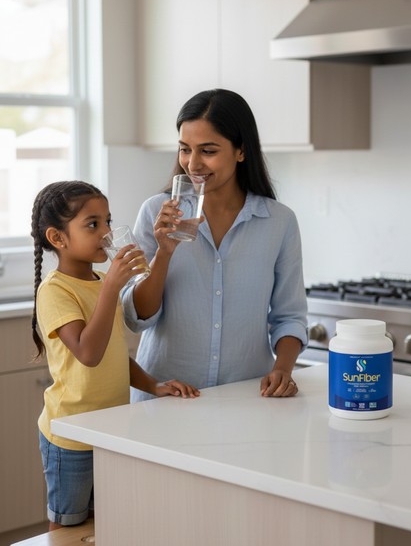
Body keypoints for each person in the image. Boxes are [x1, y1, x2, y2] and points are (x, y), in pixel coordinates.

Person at [31, 180, 199, 531]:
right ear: (58, 238)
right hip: (72, 436)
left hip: (109, 431)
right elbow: (89, 354)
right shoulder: (55, 291)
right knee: (68, 528)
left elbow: (111, 356)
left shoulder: (100, 280)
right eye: (93, 225)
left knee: (102, 527)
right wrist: (112, 287)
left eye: (108, 221)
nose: (107, 232)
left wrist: (154, 385)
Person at [123, 88, 308, 402]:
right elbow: (137, 316)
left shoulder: (279, 221)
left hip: (246, 398)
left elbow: (289, 316)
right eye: (185, 149)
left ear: (241, 151)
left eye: (208, 151)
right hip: (166, 398)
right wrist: (164, 253)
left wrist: (284, 369)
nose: (192, 164)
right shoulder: (156, 213)